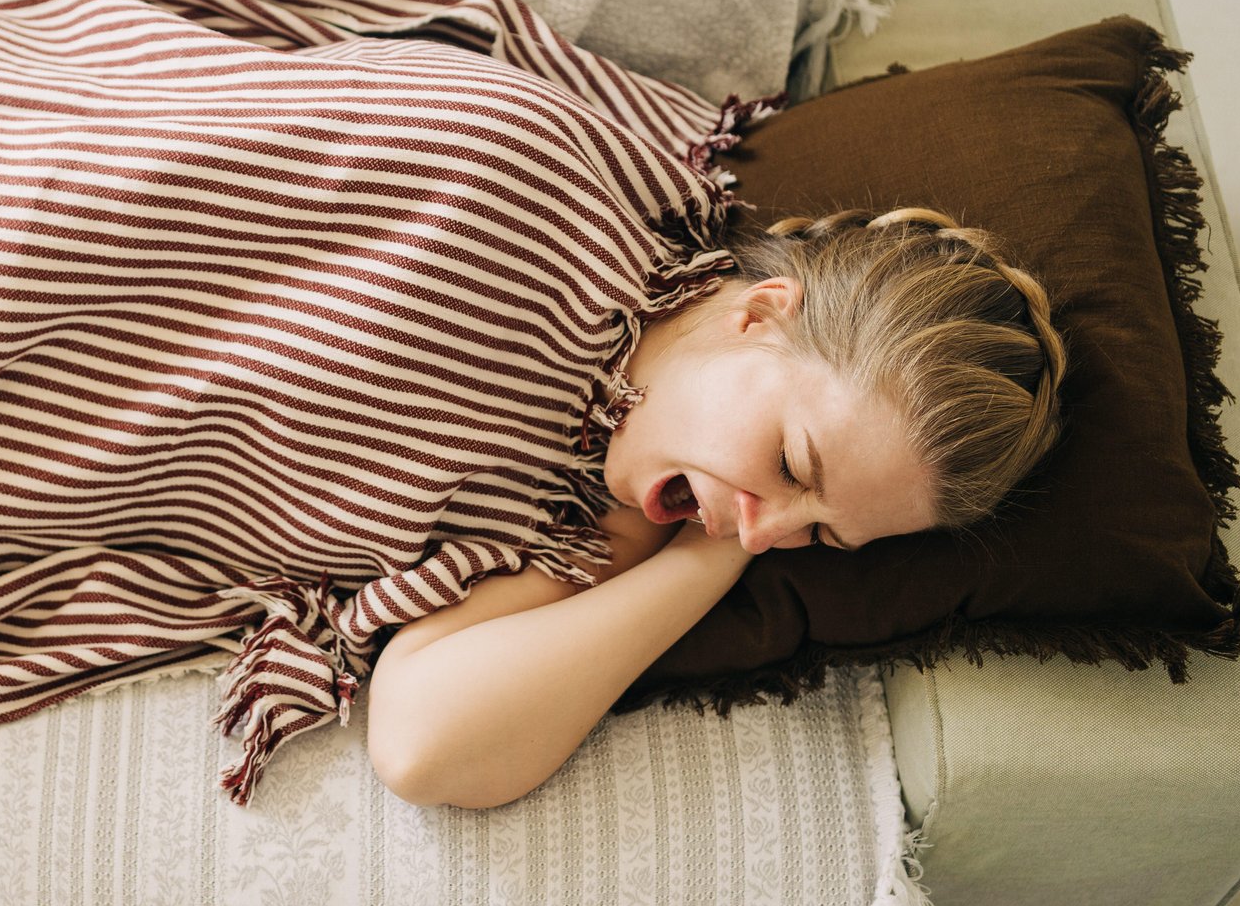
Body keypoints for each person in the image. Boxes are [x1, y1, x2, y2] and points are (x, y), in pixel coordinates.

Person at [364, 207, 1069, 809]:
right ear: (758, 314)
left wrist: (709, 555)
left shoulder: (625, 513)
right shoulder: (539, 213)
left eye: (820, 534)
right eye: (790, 463)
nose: (761, 531)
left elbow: (420, 746)